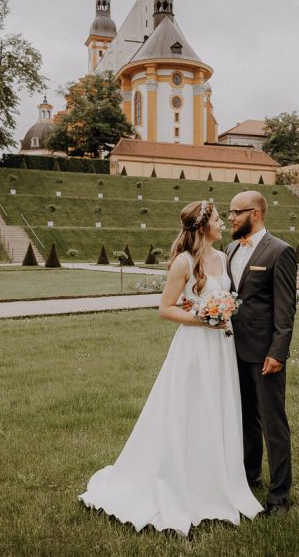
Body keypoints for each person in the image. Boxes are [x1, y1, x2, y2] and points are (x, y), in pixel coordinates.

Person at [79, 200, 262, 535]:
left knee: (219, 406)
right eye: (218, 219)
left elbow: (227, 297)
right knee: (190, 408)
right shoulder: (183, 262)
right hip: (195, 345)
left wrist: (223, 312)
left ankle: (218, 477)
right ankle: (182, 479)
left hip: (221, 347)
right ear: (203, 226)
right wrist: (203, 318)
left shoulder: (223, 258)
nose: (224, 223)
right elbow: (165, 308)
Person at [225, 190, 297, 516]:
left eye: (236, 212)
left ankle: (279, 495)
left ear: (255, 214)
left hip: (265, 354)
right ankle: (249, 478)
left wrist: (277, 353)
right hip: (231, 350)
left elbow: (285, 309)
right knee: (245, 421)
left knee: (273, 424)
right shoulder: (229, 249)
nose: (230, 218)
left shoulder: (280, 251)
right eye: (229, 213)